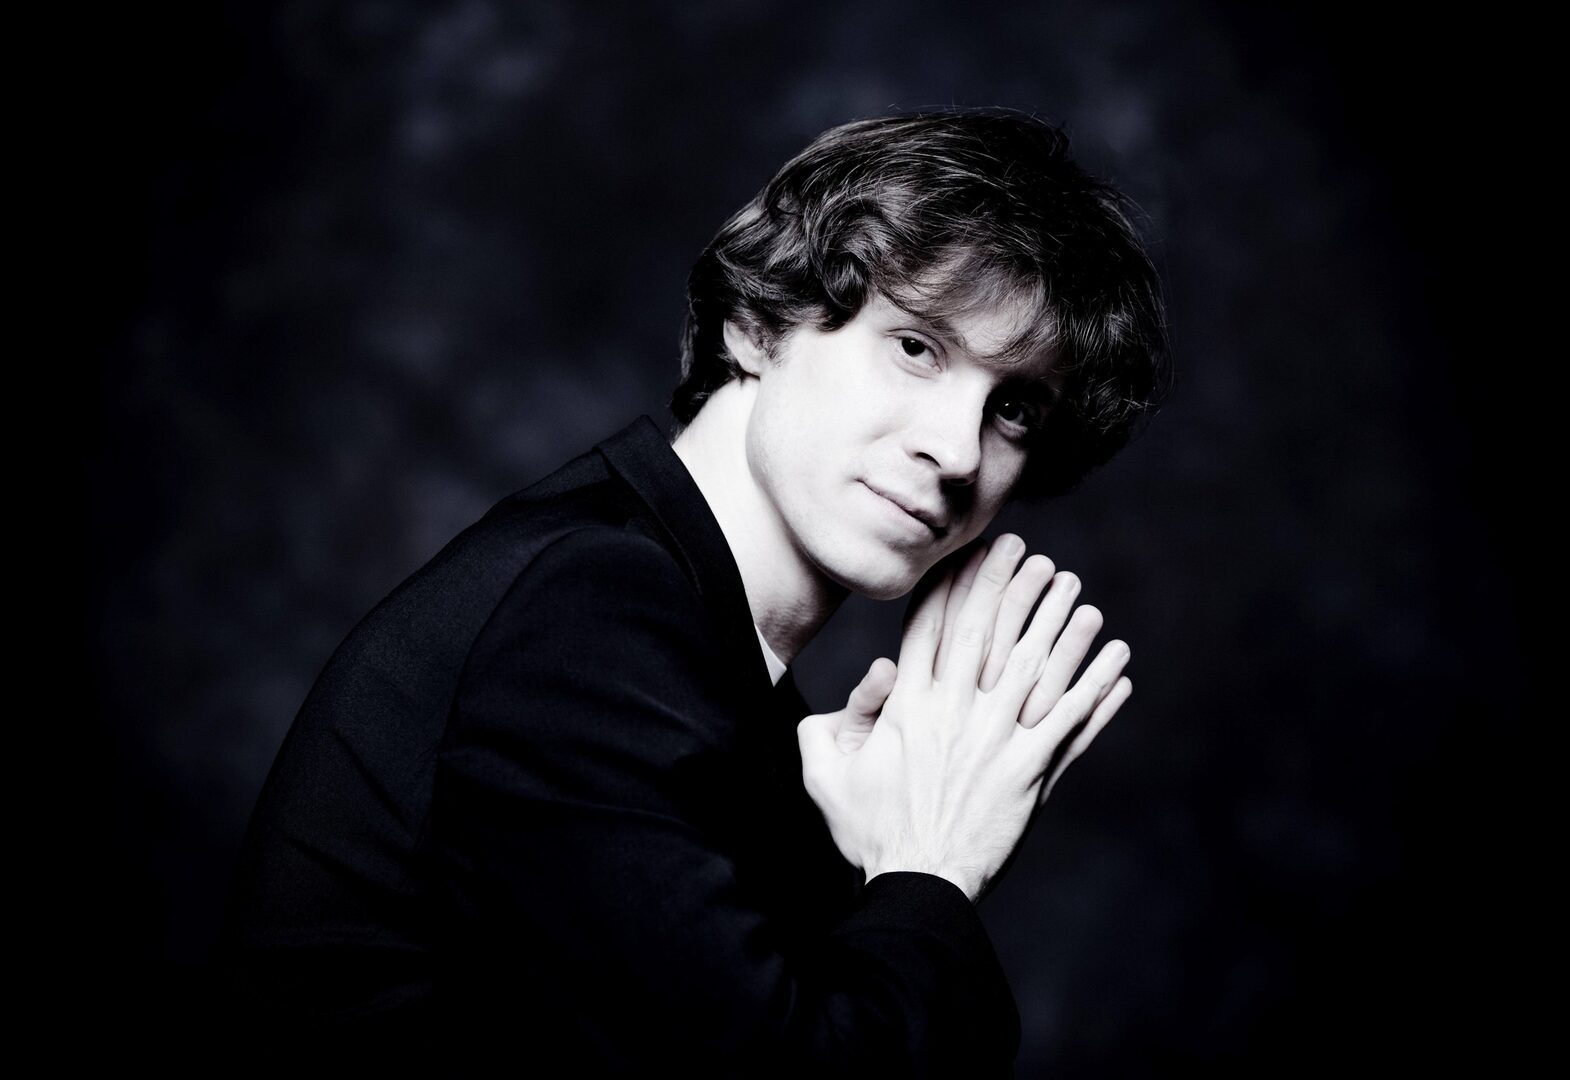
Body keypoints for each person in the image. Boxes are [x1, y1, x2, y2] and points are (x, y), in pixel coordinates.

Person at [216, 108, 1169, 1074]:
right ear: (754, 323)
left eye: (1013, 409)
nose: (959, 452)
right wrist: (933, 866)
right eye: (916, 347)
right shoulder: (591, 613)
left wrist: (852, 863)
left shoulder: (711, 678)